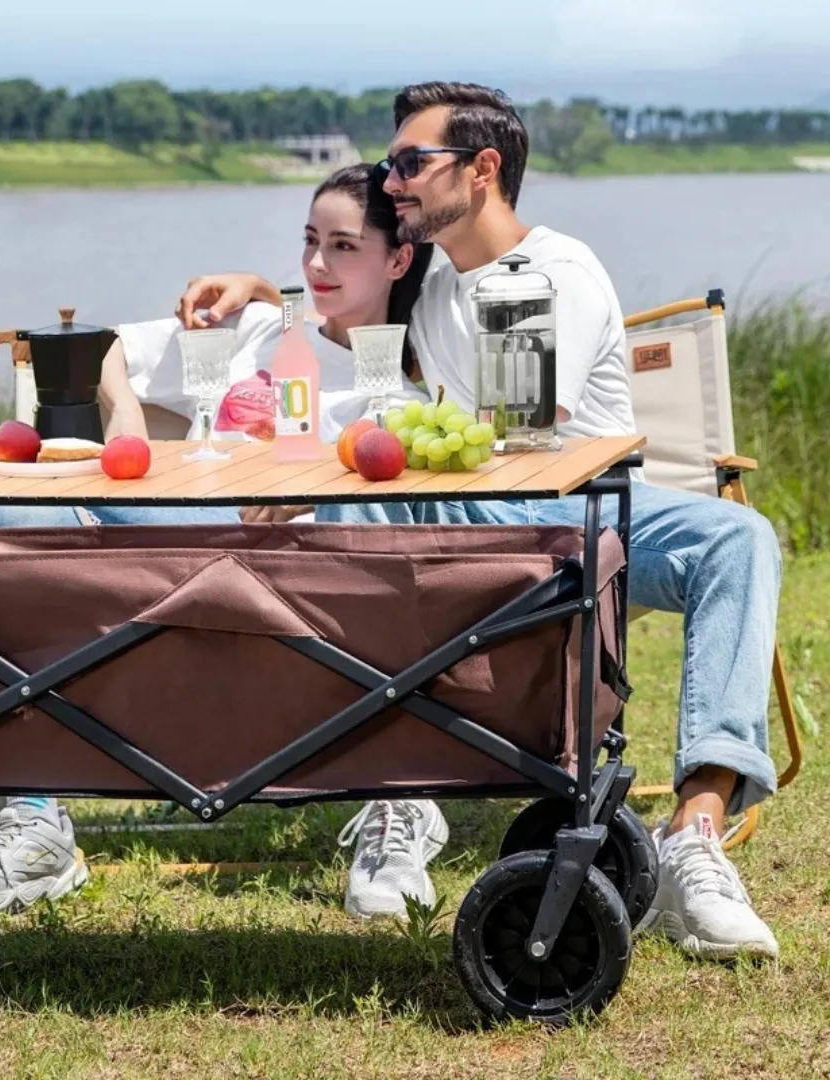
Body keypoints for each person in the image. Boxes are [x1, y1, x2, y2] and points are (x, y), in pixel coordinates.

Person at [174, 82, 783, 959]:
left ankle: (695, 836)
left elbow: (518, 431)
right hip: (469, 508)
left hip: (590, 510)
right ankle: (396, 798)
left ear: (482, 169)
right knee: (359, 490)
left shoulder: (555, 273)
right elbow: (349, 285)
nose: (392, 182)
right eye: (389, 165)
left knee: (738, 538)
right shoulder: (430, 277)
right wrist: (266, 293)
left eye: (410, 164)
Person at [0, 163, 432, 913]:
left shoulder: (401, 394)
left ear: (398, 260)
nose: (316, 263)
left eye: (343, 246)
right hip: (185, 543)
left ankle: (397, 800)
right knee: (4, 509)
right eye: (310, 240)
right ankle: (30, 814)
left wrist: (315, 488)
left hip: (295, 592)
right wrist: (128, 422)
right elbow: (108, 346)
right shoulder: (259, 331)